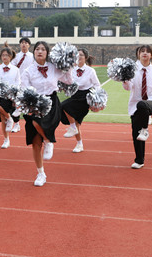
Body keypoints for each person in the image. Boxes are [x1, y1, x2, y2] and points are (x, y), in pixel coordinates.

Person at [21, 41, 73, 186]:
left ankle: (49, 141)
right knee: (35, 143)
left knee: (37, 122)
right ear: (34, 52)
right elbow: (24, 89)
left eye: (43, 49)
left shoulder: (53, 68)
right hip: (34, 103)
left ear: (47, 53)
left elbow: (69, 81)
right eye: (37, 49)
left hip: (51, 103)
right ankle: (41, 173)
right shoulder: (28, 71)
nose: (40, 51)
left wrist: (67, 67)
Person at [122, 44, 152, 169]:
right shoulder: (132, 69)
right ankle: (139, 160)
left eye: (147, 51)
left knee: (143, 105)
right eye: (142, 51)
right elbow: (128, 88)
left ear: (151, 55)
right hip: (135, 104)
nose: (145, 53)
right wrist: (124, 79)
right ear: (138, 54)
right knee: (136, 133)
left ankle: (145, 129)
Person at [61, 48, 101, 153]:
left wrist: (96, 100)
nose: (79, 57)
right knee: (77, 123)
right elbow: (68, 82)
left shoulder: (90, 71)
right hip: (75, 96)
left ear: (86, 57)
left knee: (64, 105)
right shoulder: (71, 69)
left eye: (81, 55)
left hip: (85, 97)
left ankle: (73, 127)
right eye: (77, 55)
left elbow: (97, 85)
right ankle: (79, 144)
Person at [0, 44, 21, 149]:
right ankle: (6, 139)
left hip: (10, 96)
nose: (5, 57)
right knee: (2, 117)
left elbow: (18, 82)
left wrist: (13, 92)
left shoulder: (16, 70)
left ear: (11, 57)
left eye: (7, 55)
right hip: (0, 95)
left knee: (4, 119)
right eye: (3, 55)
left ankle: (9, 122)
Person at [10, 37, 34, 132]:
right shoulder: (16, 56)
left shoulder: (33, 56)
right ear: (20, 45)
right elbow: (12, 67)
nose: (24, 44)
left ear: (29, 45)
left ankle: (31, 123)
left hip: (29, 82)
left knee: (29, 103)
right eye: (22, 43)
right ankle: (17, 124)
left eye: (26, 43)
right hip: (18, 82)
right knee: (16, 103)